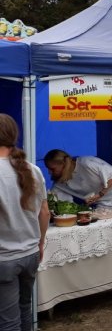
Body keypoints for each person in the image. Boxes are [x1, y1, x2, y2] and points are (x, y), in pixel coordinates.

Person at [0, 114, 49, 331]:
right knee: (24, 309)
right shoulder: (33, 169)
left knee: (9, 321)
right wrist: (40, 243)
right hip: (29, 253)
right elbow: (44, 213)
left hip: (5, 257)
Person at [43, 149, 112, 207]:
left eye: (52, 169)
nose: (49, 172)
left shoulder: (86, 163)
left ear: (63, 164)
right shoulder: (60, 182)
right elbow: (53, 199)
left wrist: (100, 194)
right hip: (105, 203)